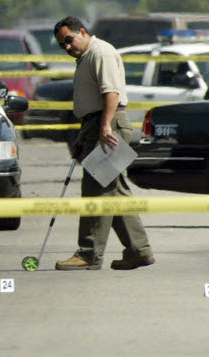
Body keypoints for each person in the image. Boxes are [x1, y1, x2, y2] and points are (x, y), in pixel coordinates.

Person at [52, 16, 155, 270]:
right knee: (115, 192)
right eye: (61, 45)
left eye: (68, 39)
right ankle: (138, 250)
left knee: (97, 190)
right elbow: (90, 100)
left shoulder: (100, 51)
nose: (66, 47)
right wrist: (83, 134)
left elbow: (111, 93)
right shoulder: (85, 57)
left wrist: (105, 126)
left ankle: (88, 254)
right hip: (95, 126)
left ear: (82, 32)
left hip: (108, 125)